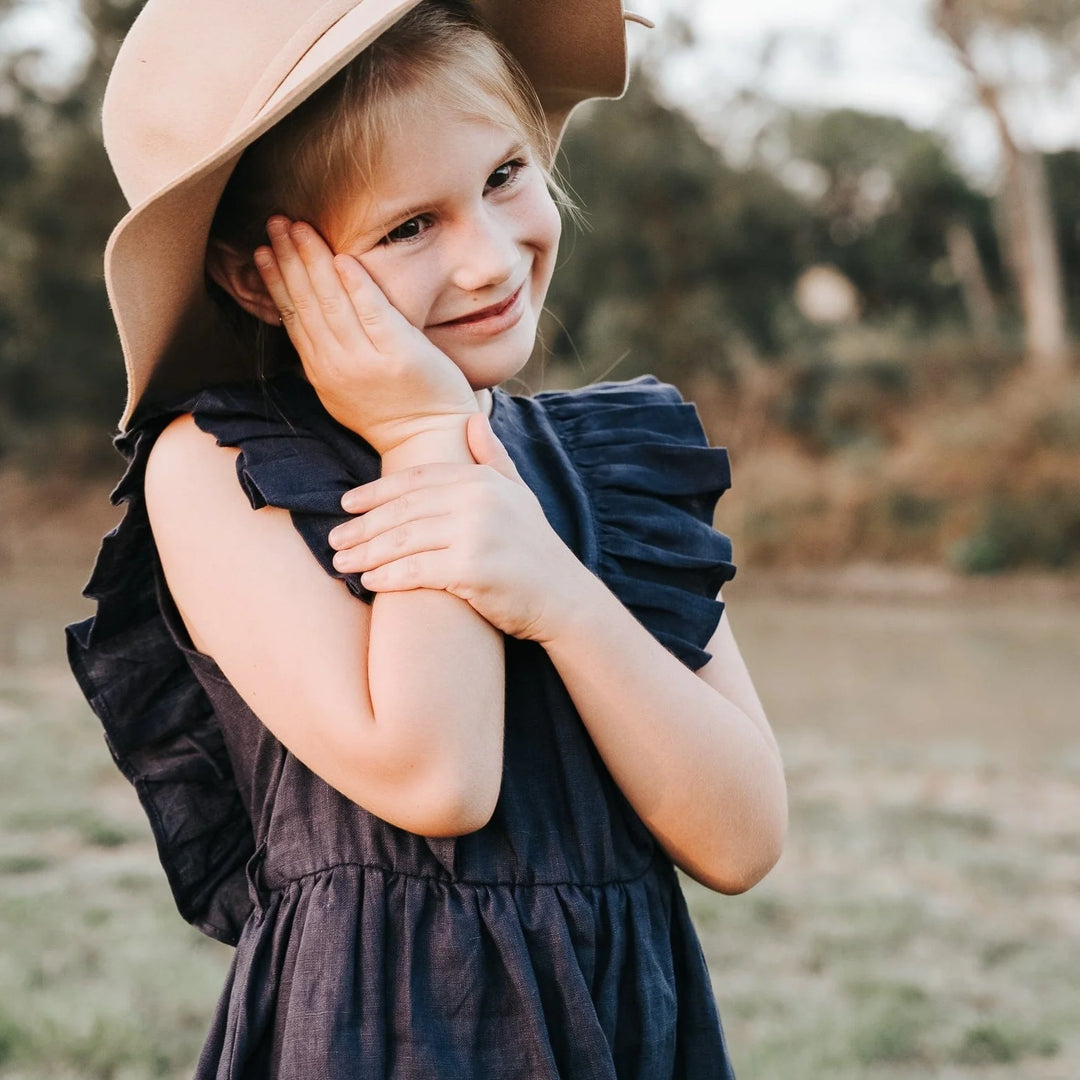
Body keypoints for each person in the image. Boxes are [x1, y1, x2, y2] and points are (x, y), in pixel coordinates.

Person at [66, 0, 788, 1075]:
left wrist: (563, 595)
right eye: (409, 227)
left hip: (621, 1025)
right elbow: (438, 779)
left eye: (503, 176)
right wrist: (418, 435)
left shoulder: (613, 469)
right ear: (260, 278)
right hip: (385, 1029)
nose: (491, 259)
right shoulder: (219, 469)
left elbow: (740, 839)